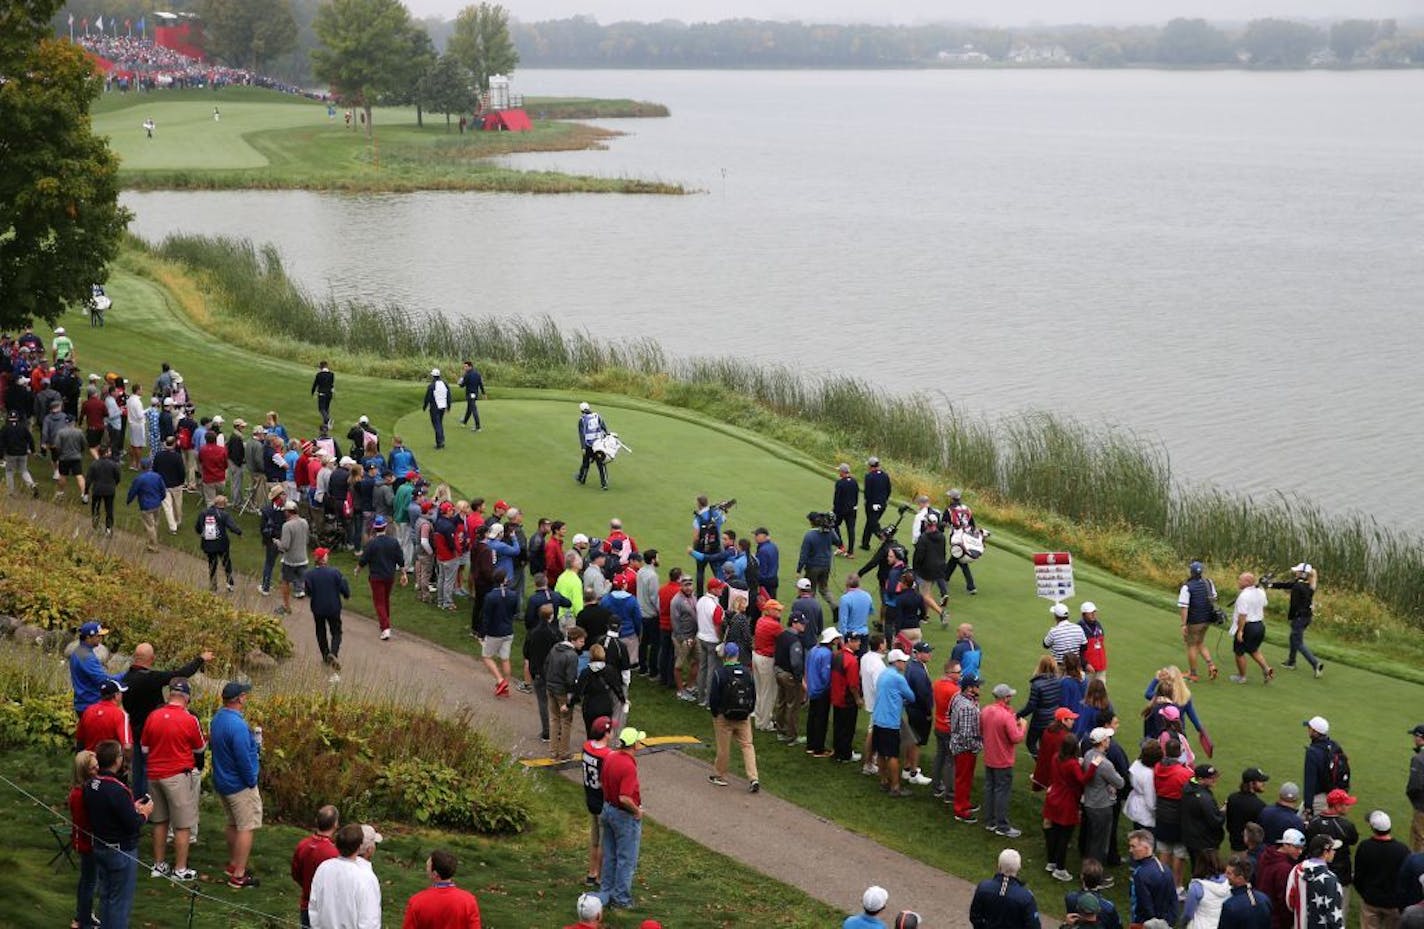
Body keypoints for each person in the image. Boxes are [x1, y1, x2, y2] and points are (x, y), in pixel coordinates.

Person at [141, 678, 205, 882]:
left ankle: (159, 866)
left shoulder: (153, 716)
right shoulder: (189, 719)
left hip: (154, 774)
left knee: (159, 821)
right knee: (182, 824)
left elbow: (144, 748)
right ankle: (180, 868)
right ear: (186, 698)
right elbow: (199, 748)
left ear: (170, 695)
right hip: (177, 775)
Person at [84, 739, 153, 929]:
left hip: (100, 846)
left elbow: (113, 811)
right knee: (120, 904)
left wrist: (132, 808)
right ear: (116, 760)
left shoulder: (92, 784)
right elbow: (133, 824)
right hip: (120, 851)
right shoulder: (117, 789)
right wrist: (144, 813)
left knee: (106, 897)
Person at [211, 681, 262, 889]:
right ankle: (239, 875)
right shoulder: (238, 726)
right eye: (245, 695)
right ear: (240, 698)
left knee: (232, 823)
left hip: (223, 781)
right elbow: (243, 759)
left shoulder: (218, 718)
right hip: (239, 785)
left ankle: (233, 864)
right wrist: (251, 780)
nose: (246, 698)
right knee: (246, 827)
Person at [598, 726, 647, 909]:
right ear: (634, 744)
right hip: (623, 816)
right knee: (627, 859)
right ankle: (621, 899)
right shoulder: (628, 766)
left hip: (607, 809)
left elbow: (602, 782)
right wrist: (636, 811)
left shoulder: (610, 756)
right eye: (639, 740)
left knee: (610, 855)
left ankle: (606, 892)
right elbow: (625, 797)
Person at [708, 642, 760, 791]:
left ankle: (720, 775)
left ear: (725, 655)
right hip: (743, 717)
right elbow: (753, 695)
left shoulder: (720, 673)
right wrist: (749, 711)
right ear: (737, 655)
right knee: (747, 746)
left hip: (724, 717)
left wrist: (716, 714)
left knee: (724, 748)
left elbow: (714, 697)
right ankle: (753, 777)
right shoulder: (747, 672)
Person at [308, 823, 381, 929]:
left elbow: (314, 909)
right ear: (359, 846)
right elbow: (370, 923)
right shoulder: (366, 878)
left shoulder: (324, 867)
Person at [982, 681, 1029, 837]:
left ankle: (990, 821)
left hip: (989, 757)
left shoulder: (986, 710)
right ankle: (1002, 826)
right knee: (1002, 792)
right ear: (1006, 697)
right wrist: (1022, 726)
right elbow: (1016, 738)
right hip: (1003, 760)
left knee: (990, 788)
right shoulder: (1006, 716)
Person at [873, 649, 917, 797]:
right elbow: (911, 697)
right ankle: (895, 787)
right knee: (892, 755)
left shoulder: (883, 673)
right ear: (896, 662)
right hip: (890, 721)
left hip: (878, 718)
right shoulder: (898, 678)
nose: (905, 663)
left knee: (880, 752)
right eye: (903, 661)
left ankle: (884, 780)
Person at [401, 848, 482, 929]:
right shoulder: (469, 901)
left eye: (427, 866)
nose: (426, 869)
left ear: (435, 874)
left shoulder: (417, 902)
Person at [1354, 811, 1409, 929]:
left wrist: (1365, 893)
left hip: (1370, 900)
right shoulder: (1402, 850)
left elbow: (1358, 877)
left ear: (1373, 828)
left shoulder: (1364, 847)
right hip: (1393, 902)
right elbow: (1406, 878)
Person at [1266, 563, 1323, 677]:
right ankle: (1291, 662)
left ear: (1302, 574)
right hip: (1306, 617)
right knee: (1293, 638)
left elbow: (1294, 605)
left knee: (1298, 642)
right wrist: (1270, 585)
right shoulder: (1308, 585)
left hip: (1299, 617)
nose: (1295, 573)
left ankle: (1315, 664)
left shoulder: (1298, 587)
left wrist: (1291, 618)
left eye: (1297, 571)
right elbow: (1287, 585)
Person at [356, 515, 407, 640]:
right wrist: (403, 573)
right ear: (385, 527)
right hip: (389, 576)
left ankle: (385, 627)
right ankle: (385, 623)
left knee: (379, 602)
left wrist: (357, 570)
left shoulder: (371, 544)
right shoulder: (393, 542)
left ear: (375, 528)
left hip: (376, 577)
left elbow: (364, 560)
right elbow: (400, 559)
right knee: (385, 600)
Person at [1305, 789, 1360, 905]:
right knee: (1339, 911)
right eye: (1346, 804)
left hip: (1316, 873)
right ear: (1337, 806)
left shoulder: (1314, 822)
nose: (1349, 806)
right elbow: (1353, 840)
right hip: (1340, 875)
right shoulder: (1346, 825)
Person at [1082, 727, 1127, 867]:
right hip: (1101, 805)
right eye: (1107, 738)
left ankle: (1089, 870)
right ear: (1102, 742)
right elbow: (1120, 783)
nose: (1109, 741)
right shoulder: (1105, 763)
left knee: (1093, 839)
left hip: (1090, 801)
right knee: (1100, 843)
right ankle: (1095, 876)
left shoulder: (1089, 754)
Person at [291, 806, 340, 928]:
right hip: (326, 908)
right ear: (335, 824)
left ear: (316, 821)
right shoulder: (334, 853)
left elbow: (295, 874)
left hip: (306, 903)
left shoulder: (302, 845)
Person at [69, 749, 100, 929]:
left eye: (97, 767)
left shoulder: (79, 791)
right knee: (89, 883)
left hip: (84, 841)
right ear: (84, 771)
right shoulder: (83, 794)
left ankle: (82, 915)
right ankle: (84, 921)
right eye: (93, 769)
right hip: (88, 843)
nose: (97, 771)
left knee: (86, 880)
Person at [969, 849, 1040, 929]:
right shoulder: (1026, 897)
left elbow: (974, 916)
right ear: (1019, 867)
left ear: (999, 865)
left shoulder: (983, 887)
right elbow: (1034, 926)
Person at [304, 548, 350, 667]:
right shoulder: (335, 572)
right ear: (323, 558)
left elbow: (308, 592)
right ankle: (333, 653)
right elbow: (344, 587)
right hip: (333, 608)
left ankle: (325, 656)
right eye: (326, 555)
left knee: (320, 632)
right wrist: (346, 595)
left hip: (317, 608)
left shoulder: (309, 574)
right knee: (336, 632)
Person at [1285, 835, 1344, 929]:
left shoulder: (1296, 870)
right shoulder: (1331, 879)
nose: (1334, 852)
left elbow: (1290, 902)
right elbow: (1334, 917)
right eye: (1332, 849)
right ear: (1325, 852)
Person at [1178, 561, 1223, 682]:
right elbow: (1214, 598)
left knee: (1192, 645)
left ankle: (1193, 674)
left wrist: (1183, 624)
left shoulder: (1187, 587)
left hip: (1194, 621)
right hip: (1207, 620)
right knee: (1200, 643)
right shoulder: (1209, 582)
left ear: (1191, 572)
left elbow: (1184, 607)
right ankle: (1211, 666)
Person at [949, 673, 985, 821]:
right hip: (965, 749)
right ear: (970, 688)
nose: (980, 688)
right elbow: (966, 735)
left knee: (965, 778)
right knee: (963, 779)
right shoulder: (967, 707)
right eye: (977, 686)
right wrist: (977, 746)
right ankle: (961, 810)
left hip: (960, 745)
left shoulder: (959, 697)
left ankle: (964, 802)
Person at [1129, 828, 1180, 926]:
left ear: (1146, 847)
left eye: (1133, 846)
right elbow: (1173, 899)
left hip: (1145, 923)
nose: (1130, 850)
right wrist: (1170, 921)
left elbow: (1143, 905)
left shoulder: (1140, 874)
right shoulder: (1165, 869)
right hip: (1166, 922)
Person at [1256, 829, 1306, 929]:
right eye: (1296, 848)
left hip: (1261, 910)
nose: (1300, 852)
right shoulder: (1285, 868)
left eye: (1302, 848)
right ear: (1286, 845)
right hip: (1277, 919)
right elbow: (1284, 900)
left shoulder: (1266, 854)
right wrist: (1289, 922)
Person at [1230, 573, 1274, 685]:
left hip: (1247, 626)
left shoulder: (1244, 596)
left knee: (1239, 652)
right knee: (1253, 650)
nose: (1238, 582)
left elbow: (1242, 615)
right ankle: (1266, 669)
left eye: (1240, 580)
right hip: (1259, 625)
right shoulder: (1260, 592)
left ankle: (1242, 677)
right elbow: (1264, 604)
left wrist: (1240, 631)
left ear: (1247, 582)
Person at [481, 568, 520, 695]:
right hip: (508, 631)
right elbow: (515, 612)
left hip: (494, 632)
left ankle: (500, 680)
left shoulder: (490, 596)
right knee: (505, 659)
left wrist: (482, 633)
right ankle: (505, 686)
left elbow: (486, 617)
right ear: (504, 580)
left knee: (486, 656)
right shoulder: (513, 595)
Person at [1182, 763, 1227, 868]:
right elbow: (1216, 821)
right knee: (1206, 871)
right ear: (1201, 779)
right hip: (1204, 842)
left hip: (1191, 837)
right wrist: (1223, 811)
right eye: (1211, 778)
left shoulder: (1188, 786)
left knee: (1196, 867)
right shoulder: (1204, 798)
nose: (1215, 779)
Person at [194, 494, 242, 592]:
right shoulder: (224, 515)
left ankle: (213, 585)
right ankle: (229, 583)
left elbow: (198, 527)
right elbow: (232, 526)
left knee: (212, 564)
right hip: (222, 544)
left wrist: (202, 534)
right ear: (224, 505)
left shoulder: (203, 513)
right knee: (226, 563)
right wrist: (239, 532)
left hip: (208, 544)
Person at [773, 611, 807, 743]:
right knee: (793, 705)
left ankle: (780, 731)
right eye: (801, 623)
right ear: (794, 623)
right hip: (789, 676)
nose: (804, 625)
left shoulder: (782, 635)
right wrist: (800, 680)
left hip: (778, 672)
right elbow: (796, 663)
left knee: (781, 702)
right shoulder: (795, 640)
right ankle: (791, 736)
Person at [68, 620, 113, 720]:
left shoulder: (80, 651)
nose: (101, 638)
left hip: (84, 704)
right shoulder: (86, 656)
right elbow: (102, 680)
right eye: (98, 636)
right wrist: (125, 676)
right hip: (89, 705)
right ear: (88, 638)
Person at [804, 628, 839, 757]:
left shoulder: (814, 649)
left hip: (812, 688)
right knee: (821, 719)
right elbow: (826, 675)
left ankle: (810, 745)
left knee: (812, 718)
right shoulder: (826, 654)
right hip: (822, 691)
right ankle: (818, 748)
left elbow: (807, 668)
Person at [1302, 716, 1345, 817]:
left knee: (1298, 825)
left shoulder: (1312, 752)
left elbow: (1310, 782)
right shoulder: (1334, 745)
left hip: (1319, 799)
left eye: (1310, 729)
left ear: (1316, 732)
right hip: (1334, 796)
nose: (1308, 730)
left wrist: (1308, 807)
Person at [943, 489, 981, 595]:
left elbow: (944, 522)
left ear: (952, 498)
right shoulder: (967, 508)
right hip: (966, 537)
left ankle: (971, 586)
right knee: (955, 558)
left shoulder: (949, 510)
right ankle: (945, 577)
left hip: (956, 537)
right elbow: (972, 524)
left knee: (961, 560)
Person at [278, 499, 311, 616]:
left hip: (290, 560)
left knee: (285, 582)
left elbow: (285, 546)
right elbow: (306, 539)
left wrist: (277, 542)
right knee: (304, 583)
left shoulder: (287, 526)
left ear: (288, 512)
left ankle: (287, 607)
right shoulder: (304, 522)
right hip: (303, 558)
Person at [1218, 855, 1272, 929]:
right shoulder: (1264, 899)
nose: (1225, 876)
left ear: (1240, 878)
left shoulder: (1230, 906)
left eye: (1229, 873)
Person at [125, 456, 166, 551]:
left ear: (141, 466)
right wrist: (161, 498)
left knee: (150, 526)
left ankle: (153, 546)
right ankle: (152, 540)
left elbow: (133, 491)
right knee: (155, 524)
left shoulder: (139, 479)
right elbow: (163, 490)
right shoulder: (157, 476)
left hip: (146, 506)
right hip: (157, 504)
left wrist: (128, 501)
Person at [1227, 767, 1271, 852]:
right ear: (1251, 784)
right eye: (1260, 781)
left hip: (1235, 845)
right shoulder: (1259, 805)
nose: (1263, 783)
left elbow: (1229, 825)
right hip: (1249, 850)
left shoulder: (1232, 798)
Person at [86, 443, 122, 532]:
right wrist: (114, 484)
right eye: (109, 451)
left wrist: (86, 491)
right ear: (106, 453)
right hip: (109, 490)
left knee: (95, 508)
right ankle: (108, 528)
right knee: (109, 509)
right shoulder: (113, 465)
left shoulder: (94, 464)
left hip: (97, 489)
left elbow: (88, 479)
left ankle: (95, 526)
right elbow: (118, 477)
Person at [575, 401, 609, 490]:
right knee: (601, 464)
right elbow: (603, 426)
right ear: (589, 408)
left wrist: (583, 447)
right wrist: (607, 435)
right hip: (599, 445)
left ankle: (582, 479)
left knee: (586, 462)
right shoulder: (597, 416)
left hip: (588, 445)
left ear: (581, 410)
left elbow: (582, 435)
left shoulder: (582, 419)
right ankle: (604, 484)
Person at [832, 463, 860, 558]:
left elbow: (837, 499)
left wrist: (834, 510)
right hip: (852, 510)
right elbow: (856, 496)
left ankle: (841, 546)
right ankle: (850, 552)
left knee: (834, 525)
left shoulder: (840, 483)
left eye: (839, 471)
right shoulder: (854, 482)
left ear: (843, 472)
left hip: (841, 510)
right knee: (851, 530)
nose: (839, 472)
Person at [423, 368, 451, 449]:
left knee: (436, 424)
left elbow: (427, 397)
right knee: (439, 423)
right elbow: (449, 395)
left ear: (433, 376)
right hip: (443, 407)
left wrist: (425, 406)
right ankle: (440, 440)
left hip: (435, 407)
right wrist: (448, 406)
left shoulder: (432, 385)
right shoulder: (445, 384)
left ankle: (440, 442)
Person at [457, 360, 486, 432]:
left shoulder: (467, 375)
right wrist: (483, 393)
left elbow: (462, 385)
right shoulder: (478, 374)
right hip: (475, 394)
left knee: (473, 410)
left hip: (470, 394)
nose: (465, 368)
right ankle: (464, 422)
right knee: (469, 409)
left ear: (470, 366)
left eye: (466, 367)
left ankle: (478, 427)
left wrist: (459, 382)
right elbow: (481, 385)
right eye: (464, 367)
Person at [311, 361, 335, 426]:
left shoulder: (319, 375)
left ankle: (328, 419)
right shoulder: (331, 374)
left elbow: (315, 384)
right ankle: (326, 424)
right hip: (329, 393)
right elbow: (332, 384)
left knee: (321, 408)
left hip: (322, 393)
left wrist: (312, 392)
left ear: (321, 367)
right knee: (326, 408)